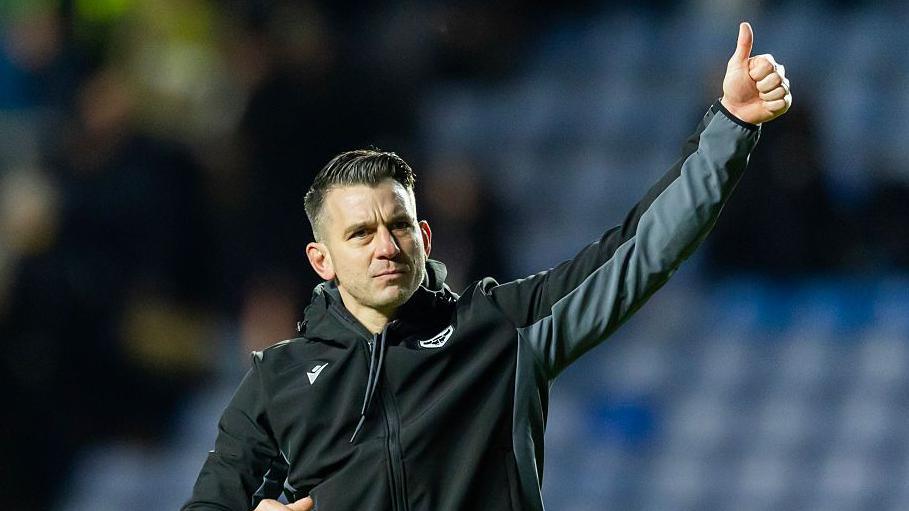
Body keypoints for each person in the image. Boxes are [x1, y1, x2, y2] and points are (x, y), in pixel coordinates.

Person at [183, 22, 791, 511]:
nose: (385, 246)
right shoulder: (277, 382)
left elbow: (642, 250)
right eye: (360, 234)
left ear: (425, 235)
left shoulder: (500, 330)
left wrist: (730, 127)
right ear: (323, 260)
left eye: (397, 227)